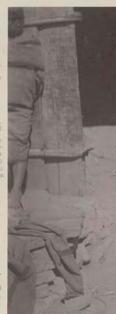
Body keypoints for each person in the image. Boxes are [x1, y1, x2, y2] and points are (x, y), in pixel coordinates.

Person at [8, 8, 44, 212]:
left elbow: (40, 75)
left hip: (21, 105)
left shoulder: (31, 40)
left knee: (20, 147)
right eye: (10, 19)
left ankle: (15, 193)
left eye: (17, 19)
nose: (14, 23)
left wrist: (27, 91)